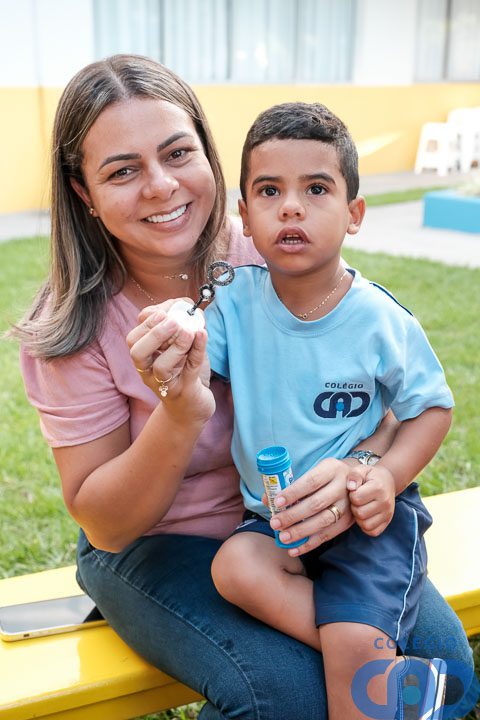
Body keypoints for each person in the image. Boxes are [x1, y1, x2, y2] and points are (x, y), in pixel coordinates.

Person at [11, 55, 474, 720]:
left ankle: (358, 651)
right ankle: (355, 653)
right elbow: (107, 526)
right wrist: (180, 414)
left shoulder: (274, 241)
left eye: (178, 153)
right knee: (285, 696)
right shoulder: (72, 325)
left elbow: (391, 392)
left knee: (444, 664)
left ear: (208, 153)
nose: (161, 186)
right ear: (83, 191)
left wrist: (359, 467)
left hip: (309, 523)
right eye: (122, 171)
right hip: (159, 544)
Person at [197, 101, 452, 719]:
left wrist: (386, 477)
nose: (291, 207)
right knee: (234, 568)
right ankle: (373, 651)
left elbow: (432, 409)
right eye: (269, 191)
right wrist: (173, 340)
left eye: (316, 189)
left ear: (354, 213)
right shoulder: (234, 302)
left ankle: (361, 650)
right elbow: (196, 374)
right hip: (277, 522)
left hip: (366, 521)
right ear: (245, 217)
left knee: (354, 666)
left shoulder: (379, 319)